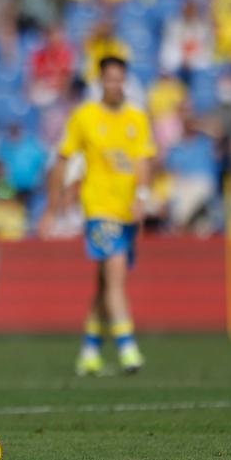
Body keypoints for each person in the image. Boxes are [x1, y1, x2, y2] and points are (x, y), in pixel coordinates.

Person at [41, 56, 155, 376]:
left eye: (120, 79)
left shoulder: (137, 118)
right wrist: (53, 206)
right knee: (116, 270)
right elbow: (63, 159)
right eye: (109, 79)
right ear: (100, 82)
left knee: (106, 281)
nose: (114, 85)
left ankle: (90, 349)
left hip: (126, 209)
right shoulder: (85, 117)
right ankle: (127, 346)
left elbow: (144, 161)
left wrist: (142, 197)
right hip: (99, 208)